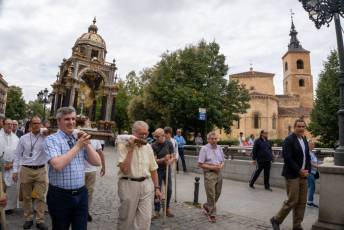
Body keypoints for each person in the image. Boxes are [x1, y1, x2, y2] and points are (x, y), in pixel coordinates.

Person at [43, 106, 101, 230]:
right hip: (60, 196)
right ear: (59, 121)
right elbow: (58, 165)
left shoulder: (79, 138)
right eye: (67, 119)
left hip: (81, 194)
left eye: (73, 119)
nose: (72, 122)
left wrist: (86, 142)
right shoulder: (51, 140)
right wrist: (78, 146)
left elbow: (97, 162)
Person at [116, 121, 161, 230]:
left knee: (145, 219)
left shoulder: (148, 147)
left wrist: (157, 188)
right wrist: (131, 149)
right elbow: (125, 170)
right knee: (126, 218)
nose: (144, 136)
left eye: (146, 134)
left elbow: (153, 169)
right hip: (128, 183)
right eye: (141, 134)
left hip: (146, 184)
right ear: (133, 133)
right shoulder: (123, 144)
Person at [270, 119, 311, 230]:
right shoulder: (289, 140)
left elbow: (307, 156)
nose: (301, 128)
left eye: (303, 126)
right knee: (292, 200)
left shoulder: (304, 139)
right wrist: (299, 171)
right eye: (299, 126)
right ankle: (276, 219)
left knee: (302, 202)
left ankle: (297, 225)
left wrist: (308, 171)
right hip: (292, 175)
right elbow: (287, 158)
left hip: (303, 175)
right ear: (294, 127)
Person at [12, 116, 49, 230]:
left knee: (41, 196)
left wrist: (47, 132)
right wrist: (14, 171)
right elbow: (17, 155)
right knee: (27, 197)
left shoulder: (46, 137)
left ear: (41, 124)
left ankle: (40, 220)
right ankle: (28, 218)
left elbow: (54, 134)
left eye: (38, 123)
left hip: (41, 170)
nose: (36, 125)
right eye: (34, 123)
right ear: (30, 125)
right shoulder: (23, 138)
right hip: (26, 169)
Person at [80, 117, 106, 222]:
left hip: (91, 170)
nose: (87, 124)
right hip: (79, 170)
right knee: (78, 192)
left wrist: (104, 166)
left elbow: (100, 152)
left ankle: (86, 211)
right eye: (85, 122)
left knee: (89, 192)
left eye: (88, 122)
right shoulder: (77, 135)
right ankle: (77, 211)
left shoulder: (95, 138)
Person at [198, 131, 224, 223]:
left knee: (218, 193)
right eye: (212, 139)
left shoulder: (220, 148)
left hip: (219, 173)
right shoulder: (204, 149)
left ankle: (207, 206)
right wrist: (213, 167)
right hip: (209, 173)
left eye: (215, 138)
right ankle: (212, 214)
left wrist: (221, 165)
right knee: (211, 195)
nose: (214, 140)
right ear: (208, 139)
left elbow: (222, 160)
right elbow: (200, 164)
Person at [152, 128, 175, 218]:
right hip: (157, 170)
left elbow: (173, 156)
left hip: (167, 169)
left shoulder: (169, 143)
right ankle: (157, 210)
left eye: (158, 136)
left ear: (163, 135)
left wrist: (170, 161)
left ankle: (167, 207)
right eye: (155, 136)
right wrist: (163, 159)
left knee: (169, 189)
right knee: (157, 190)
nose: (156, 138)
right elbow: (154, 161)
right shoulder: (153, 145)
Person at [0, 118, 19, 215]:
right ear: (3, 125)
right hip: (1, 166)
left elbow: (18, 153)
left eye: (11, 124)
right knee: (1, 186)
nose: (10, 126)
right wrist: (2, 165)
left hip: (11, 165)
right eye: (8, 124)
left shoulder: (16, 138)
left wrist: (11, 164)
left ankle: (9, 207)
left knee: (12, 187)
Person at [307, 140, 321, 208]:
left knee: (311, 187)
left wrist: (322, 162)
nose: (313, 145)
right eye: (312, 144)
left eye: (313, 144)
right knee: (311, 187)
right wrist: (317, 166)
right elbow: (310, 162)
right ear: (308, 145)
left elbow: (316, 161)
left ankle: (310, 201)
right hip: (310, 172)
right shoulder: (308, 153)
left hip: (313, 172)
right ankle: (309, 202)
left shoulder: (312, 153)